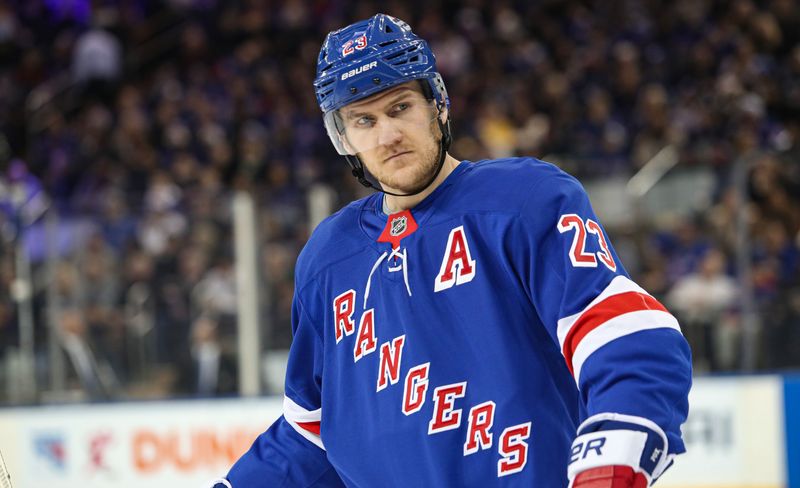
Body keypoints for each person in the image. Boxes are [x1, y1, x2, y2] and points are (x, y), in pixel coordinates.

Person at [213, 14, 691, 487]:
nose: (387, 135)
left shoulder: (523, 201)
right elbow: (308, 436)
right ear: (344, 139)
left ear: (437, 103)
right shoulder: (327, 259)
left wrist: (613, 456)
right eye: (364, 120)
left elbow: (626, 335)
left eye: (400, 107)